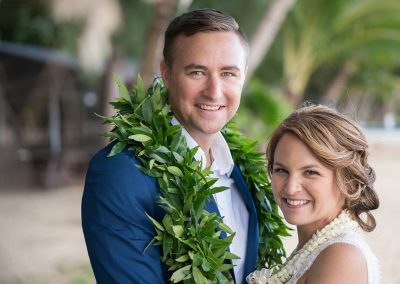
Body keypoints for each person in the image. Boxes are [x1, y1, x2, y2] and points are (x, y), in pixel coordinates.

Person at [82, 8, 260, 283]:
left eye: (228, 73)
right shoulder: (120, 173)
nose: (214, 91)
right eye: (197, 72)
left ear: (243, 76)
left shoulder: (243, 172)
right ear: (166, 73)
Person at [247, 104, 380, 284]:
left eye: (310, 172)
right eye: (281, 170)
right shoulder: (313, 251)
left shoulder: (342, 258)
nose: (291, 188)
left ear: (346, 179)